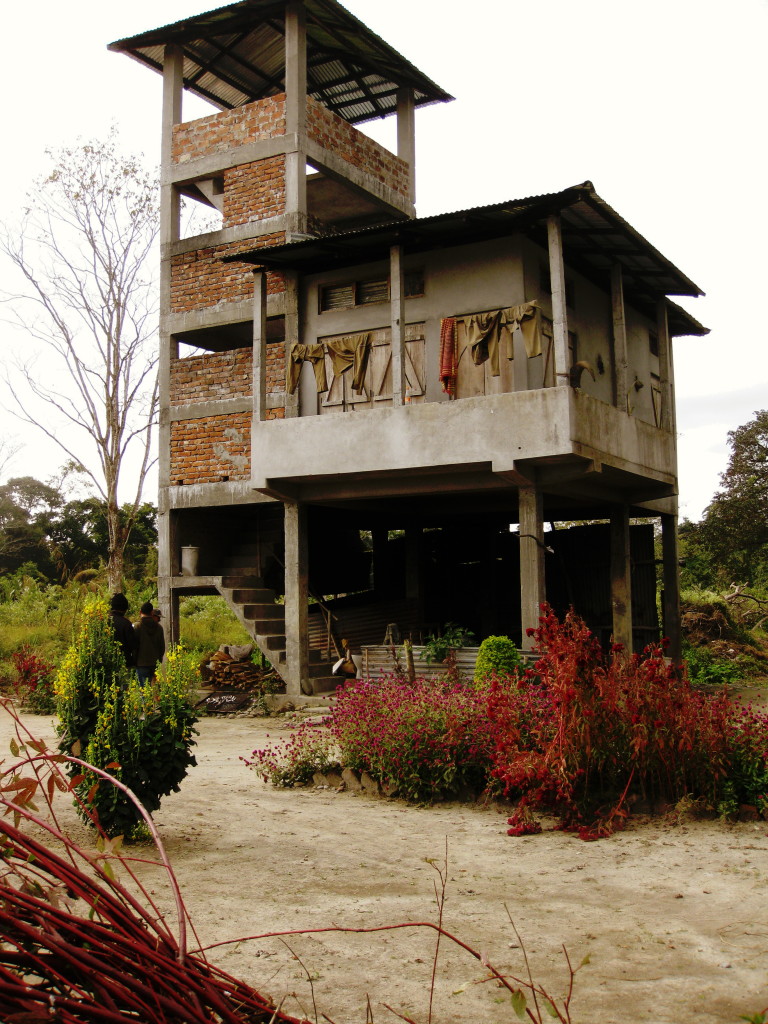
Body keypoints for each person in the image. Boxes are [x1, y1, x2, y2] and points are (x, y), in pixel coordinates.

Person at [133, 601, 166, 683]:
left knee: (143, 691)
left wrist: (134, 661)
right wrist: (158, 660)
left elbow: (133, 646)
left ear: (140, 612)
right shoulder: (159, 627)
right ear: (152, 613)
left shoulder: (137, 626)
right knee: (154, 689)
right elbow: (162, 647)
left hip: (141, 663)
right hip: (154, 663)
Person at [109, 593, 138, 668]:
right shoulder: (126, 624)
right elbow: (133, 646)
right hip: (124, 664)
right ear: (124, 608)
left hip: (106, 664)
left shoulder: (102, 622)